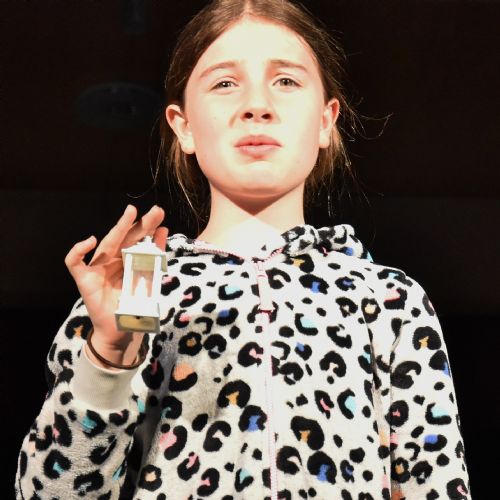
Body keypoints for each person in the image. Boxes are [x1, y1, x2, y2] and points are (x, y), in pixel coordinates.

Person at [15, 1, 471, 498]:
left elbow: (437, 484)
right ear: (184, 126)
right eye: (225, 83)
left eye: (286, 81)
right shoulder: (137, 293)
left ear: (326, 120)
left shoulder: (388, 300)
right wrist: (108, 357)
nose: (257, 105)